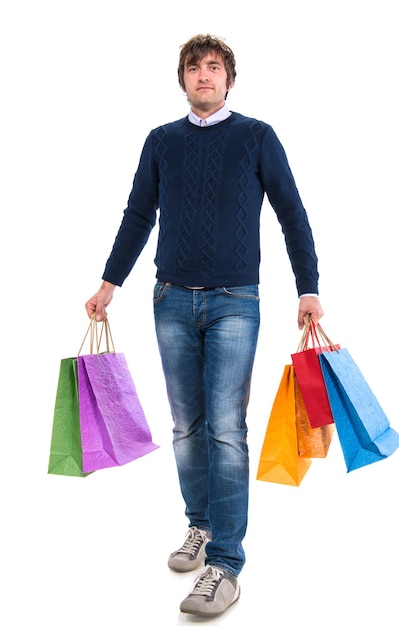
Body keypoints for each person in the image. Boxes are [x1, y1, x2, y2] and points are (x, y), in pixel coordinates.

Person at [85, 33, 324, 618]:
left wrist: (309, 286)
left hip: (235, 303)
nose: (204, 76)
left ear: (229, 80)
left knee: (224, 428)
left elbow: (292, 211)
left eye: (214, 68)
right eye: (194, 68)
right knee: (187, 427)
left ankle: (227, 563)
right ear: (183, 80)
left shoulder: (257, 137)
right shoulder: (161, 141)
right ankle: (199, 526)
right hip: (169, 301)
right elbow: (139, 213)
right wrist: (109, 282)